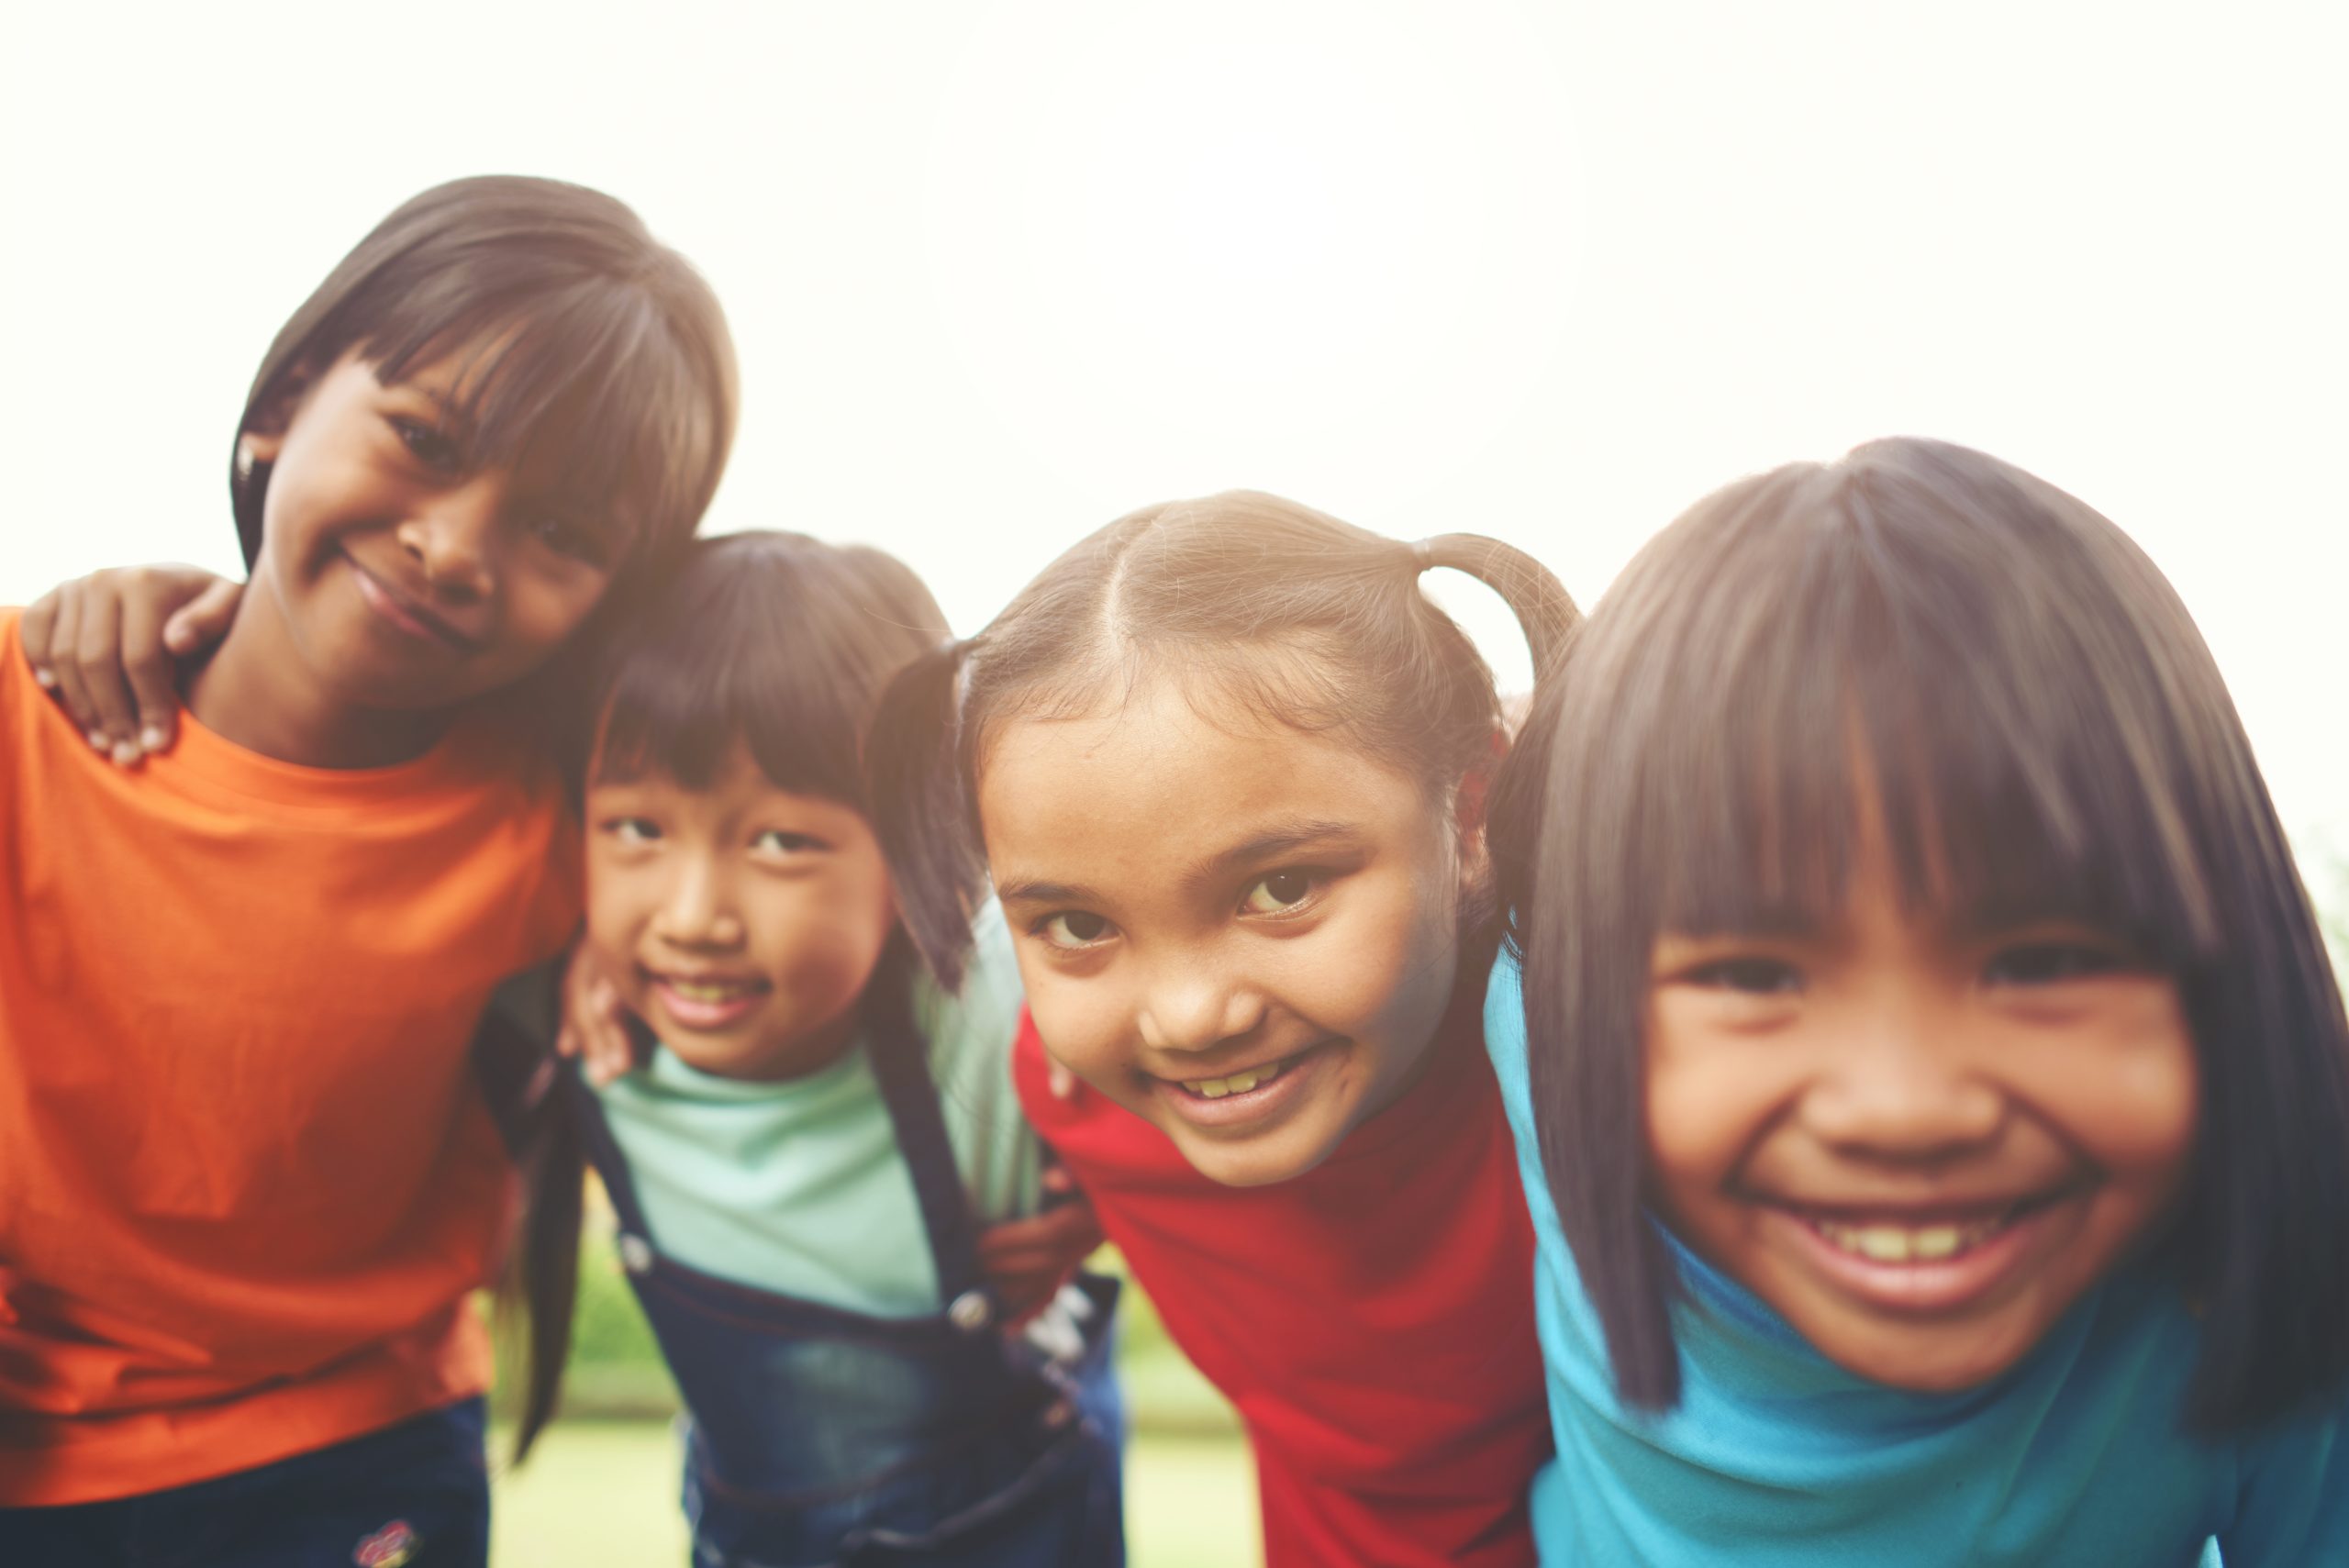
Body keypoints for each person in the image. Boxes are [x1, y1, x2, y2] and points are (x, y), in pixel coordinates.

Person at [0, 174, 737, 1565]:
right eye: (422, 437)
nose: (454, 546)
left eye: (564, 533)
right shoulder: (27, 708)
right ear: (282, 402)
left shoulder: (569, 836)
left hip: (348, 1462)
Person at [1485, 437, 2349, 1563]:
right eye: (1753, 974)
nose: (1903, 1105)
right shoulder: (1536, 1028)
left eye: (2041, 962)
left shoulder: (2262, 1322)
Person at [864, 491, 1572, 1568]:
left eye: (1281, 887)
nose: (1189, 1016)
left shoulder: (1606, 1041)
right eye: (1078, 922)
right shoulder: (1070, 1095)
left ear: (1467, 808)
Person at [491, 530, 1122, 1566]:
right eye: (637, 829)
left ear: (919, 844)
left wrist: (1101, 1205)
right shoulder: (563, 1011)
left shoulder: (1010, 997)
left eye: (782, 840)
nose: (693, 916)